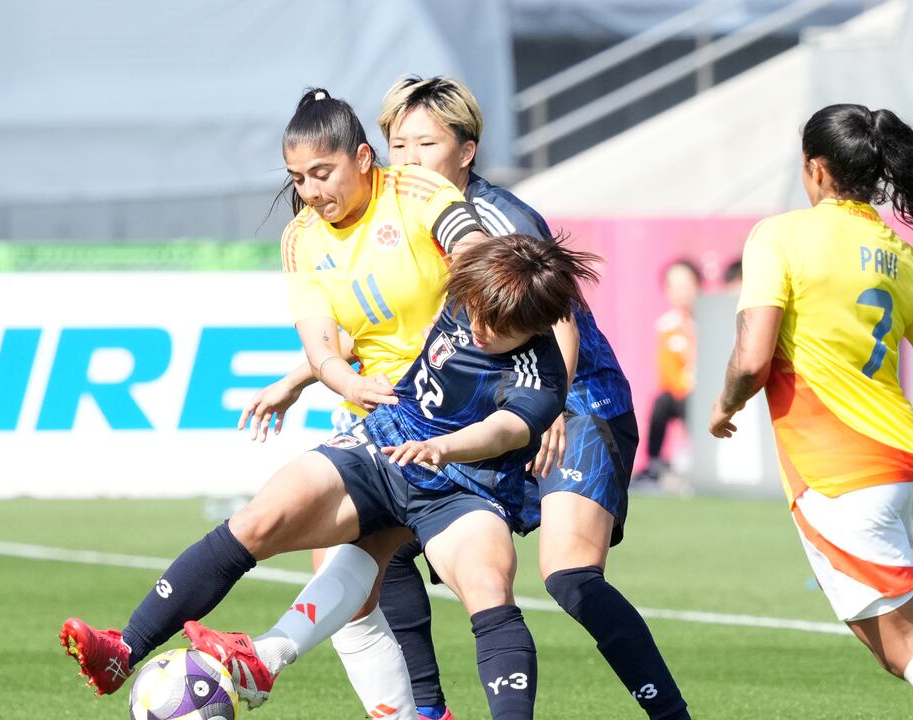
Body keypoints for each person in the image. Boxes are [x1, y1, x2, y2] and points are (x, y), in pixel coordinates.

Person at [242, 75, 690, 720]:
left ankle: (671, 713)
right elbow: (395, 321)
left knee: (569, 577)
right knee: (377, 537)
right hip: (478, 414)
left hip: (575, 405)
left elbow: (557, 315)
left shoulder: (492, 218)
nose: (411, 159)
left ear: (467, 150)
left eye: (426, 144)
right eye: (399, 144)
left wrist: (553, 407)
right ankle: (425, 708)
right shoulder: (409, 210)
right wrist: (303, 374)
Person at [61, 232, 594, 720]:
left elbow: (503, 431)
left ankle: (269, 658)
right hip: (383, 443)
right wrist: (302, 377)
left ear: (535, 325)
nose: (478, 327)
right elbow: (368, 330)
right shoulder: (469, 293)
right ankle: (125, 651)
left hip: (464, 486)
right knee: (261, 519)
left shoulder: (542, 375)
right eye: (476, 312)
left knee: (488, 582)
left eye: (498, 327)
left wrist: (443, 446)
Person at [708, 103, 913, 720]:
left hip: (841, 472)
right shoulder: (902, 255)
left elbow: (752, 361)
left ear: (815, 170)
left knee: (906, 647)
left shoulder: (780, 235)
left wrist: (724, 406)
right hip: (903, 460)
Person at [637, 259, 700, 484]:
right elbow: (669, 377)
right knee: (662, 402)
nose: (682, 292)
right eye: (675, 286)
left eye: (687, 284)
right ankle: (654, 463)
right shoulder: (667, 326)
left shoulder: (712, 318)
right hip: (685, 395)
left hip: (714, 393)